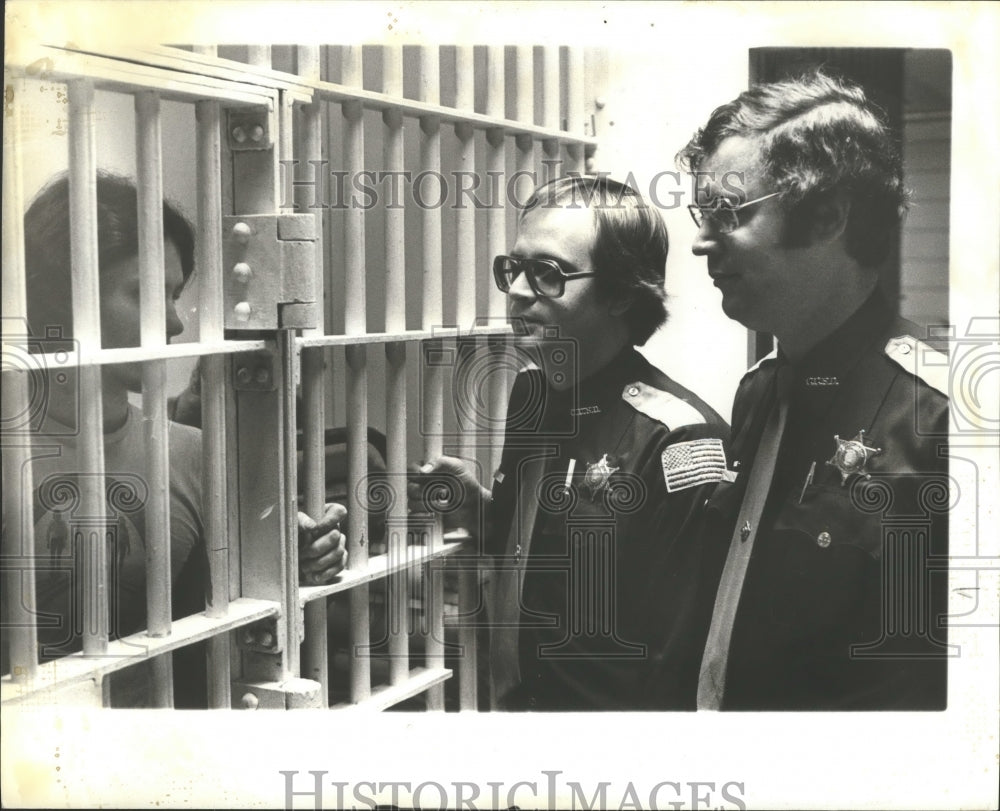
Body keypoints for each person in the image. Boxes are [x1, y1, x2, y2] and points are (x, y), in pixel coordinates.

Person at [4, 171, 347, 706]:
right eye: (143, 294)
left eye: (174, 294)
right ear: (59, 300)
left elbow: (207, 626)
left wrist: (291, 563)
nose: (171, 322)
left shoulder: (191, 455)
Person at [677, 70, 949, 710]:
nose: (699, 241)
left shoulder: (948, 415)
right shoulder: (759, 391)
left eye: (728, 214)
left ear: (826, 217)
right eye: (701, 214)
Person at [412, 175, 729, 710]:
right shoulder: (534, 392)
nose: (515, 291)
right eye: (513, 268)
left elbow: (686, 657)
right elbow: (550, 562)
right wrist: (483, 515)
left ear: (624, 291)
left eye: (548, 273)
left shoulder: (678, 437)